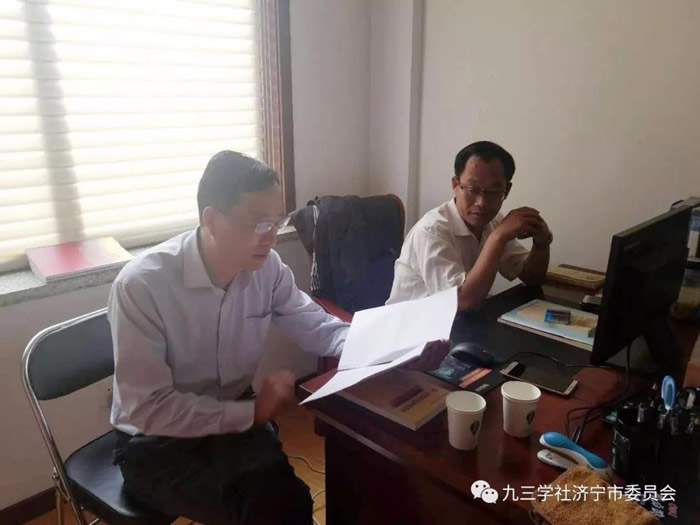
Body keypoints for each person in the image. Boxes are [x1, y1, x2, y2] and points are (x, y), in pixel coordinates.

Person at [109, 151, 446, 524]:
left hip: (235, 418)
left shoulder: (266, 269)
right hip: (156, 442)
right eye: (257, 223)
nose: (270, 238)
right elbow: (149, 409)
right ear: (211, 219)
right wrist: (251, 412)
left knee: (288, 499)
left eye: (276, 221)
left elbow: (317, 326)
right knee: (269, 508)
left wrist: (396, 348)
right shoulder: (144, 285)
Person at [387, 141, 552, 311]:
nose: (481, 203)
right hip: (416, 322)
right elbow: (462, 302)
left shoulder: (494, 222)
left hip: (459, 320)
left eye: (494, 192)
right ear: (455, 185)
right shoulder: (431, 230)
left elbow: (533, 278)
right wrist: (497, 238)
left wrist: (541, 243)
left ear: (507, 190)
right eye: (473, 189)